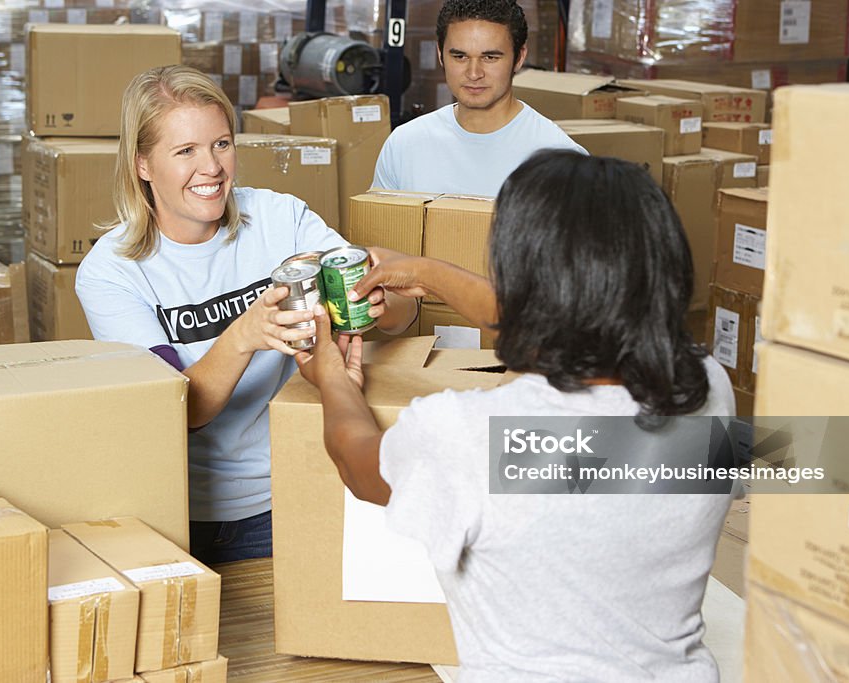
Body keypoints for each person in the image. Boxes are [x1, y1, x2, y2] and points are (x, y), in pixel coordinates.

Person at [297, 151, 735, 681]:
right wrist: (427, 273)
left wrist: (331, 377)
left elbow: (356, 459)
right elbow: (572, 321)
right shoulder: (707, 387)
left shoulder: (471, 435)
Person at [75, 65, 416, 565]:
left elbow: (403, 313)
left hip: (297, 492)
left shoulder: (280, 219)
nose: (211, 167)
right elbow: (177, 412)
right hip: (182, 517)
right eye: (185, 151)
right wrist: (243, 336)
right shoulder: (112, 272)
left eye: (221, 143)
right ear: (143, 164)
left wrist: (381, 305)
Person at [371, 0, 587, 196]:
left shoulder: (562, 159)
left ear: (520, 57)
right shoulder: (404, 145)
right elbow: (380, 232)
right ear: (440, 55)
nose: (474, 73)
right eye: (460, 56)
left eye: (490, 57)